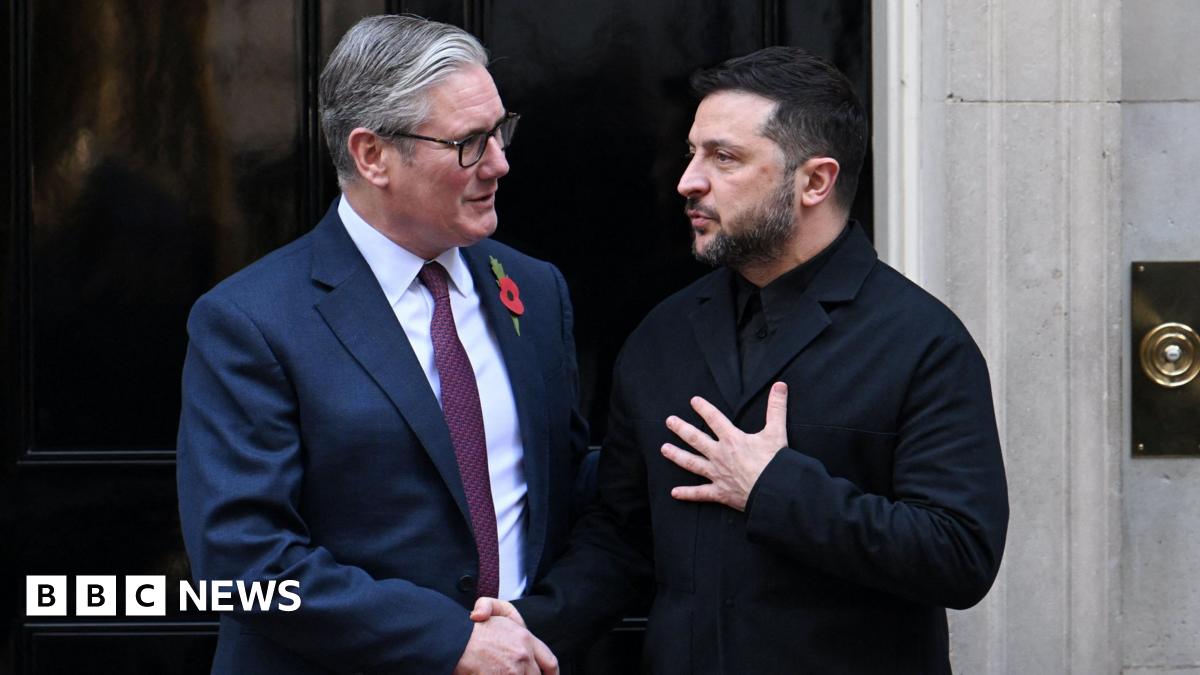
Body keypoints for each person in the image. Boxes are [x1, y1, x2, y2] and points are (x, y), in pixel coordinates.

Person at [480, 46, 1010, 674]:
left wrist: (774, 488)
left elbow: (960, 556)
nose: (688, 181)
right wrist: (537, 622)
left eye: (724, 158)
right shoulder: (663, 334)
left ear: (815, 181)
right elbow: (622, 535)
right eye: (692, 153)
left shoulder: (923, 342)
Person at [176, 15, 587, 674]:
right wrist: (449, 641)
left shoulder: (534, 292)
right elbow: (242, 557)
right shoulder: (250, 321)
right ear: (372, 155)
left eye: (501, 130)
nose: (501, 163)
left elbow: (566, 493)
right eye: (470, 142)